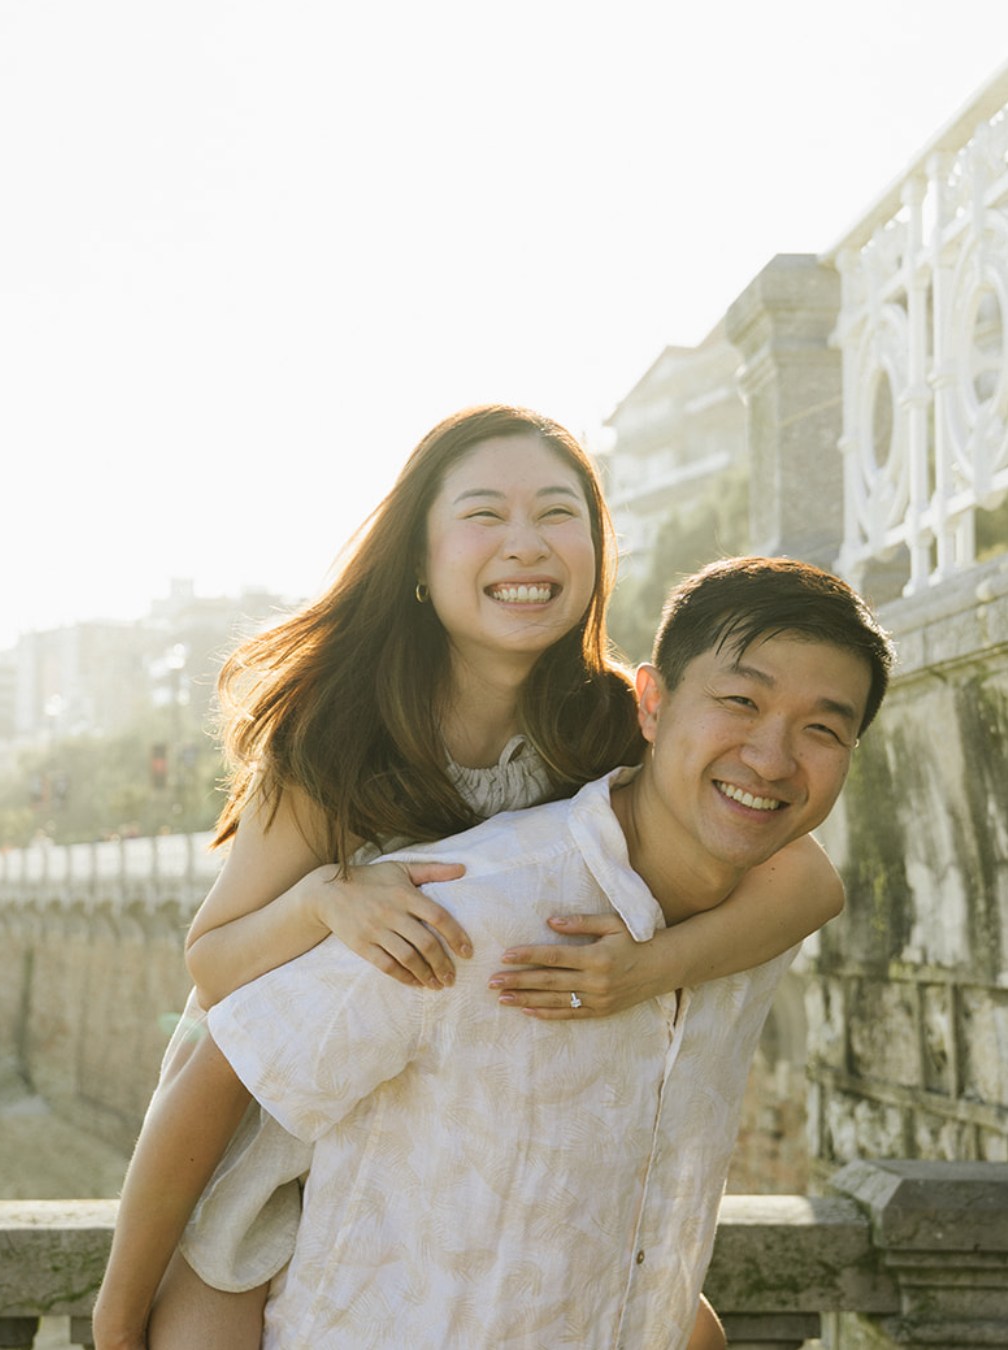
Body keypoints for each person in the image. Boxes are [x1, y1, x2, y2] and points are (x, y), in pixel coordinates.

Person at [91, 408, 845, 1349]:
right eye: (485, 514)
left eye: (558, 514)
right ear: (421, 554)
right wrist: (323, 897)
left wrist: (654, 968)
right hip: (269, 1110)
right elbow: (213, 969)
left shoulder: (617, 719)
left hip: (467, 1128)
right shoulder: (340, 731)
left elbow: (806, 880)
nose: (525, 545)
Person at [187, 556, 895, 1346]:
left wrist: (657, 963)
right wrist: (117, 1321)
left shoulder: (658, 808)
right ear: (653, 707)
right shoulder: (421, 849)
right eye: (741, 702)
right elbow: (216, 1044)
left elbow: (812, 885)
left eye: (823, 728)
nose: (770, 756)